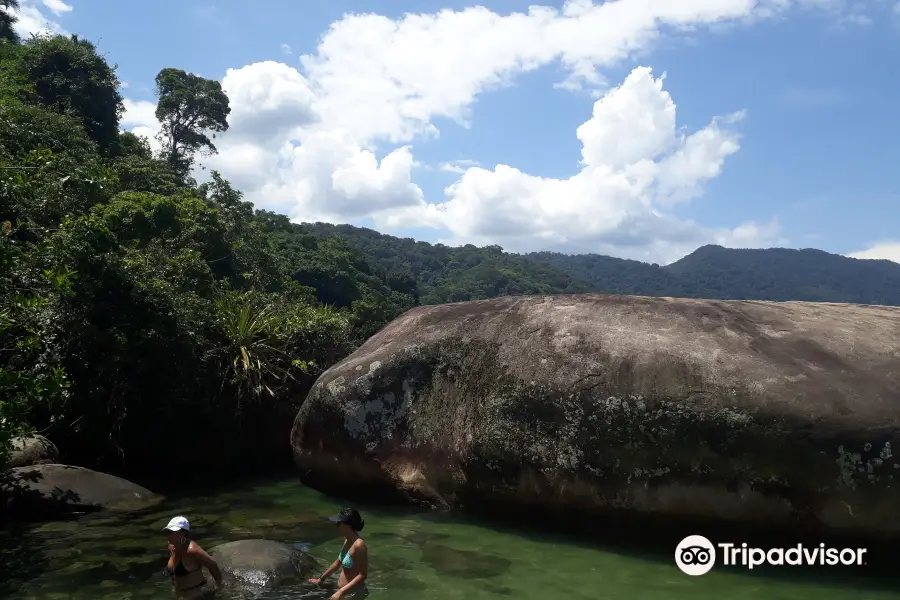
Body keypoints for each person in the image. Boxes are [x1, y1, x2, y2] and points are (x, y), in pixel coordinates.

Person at [308, 508, 369, 599]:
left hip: (354, 595)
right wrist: (320, 579)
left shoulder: (359, 545)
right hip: (344, 594)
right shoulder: (347, 540)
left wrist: (341, 592)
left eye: (339, 523)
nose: (337, 525)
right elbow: (337, 563)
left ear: (347, 525)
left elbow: (362, 575)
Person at [163, 516, 223, 596]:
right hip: (180, 596)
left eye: (171, 532)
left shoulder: (192, 550)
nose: (168, 535)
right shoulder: (172, 547)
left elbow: (212, 564)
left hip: (196, 596)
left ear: (183, 533)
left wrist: (218, 586)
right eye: (168, 532)